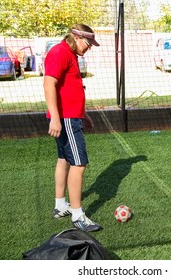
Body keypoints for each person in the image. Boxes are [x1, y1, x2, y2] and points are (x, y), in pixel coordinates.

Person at [44, 23, 102, 232]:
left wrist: (83, 114)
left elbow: (70, 88)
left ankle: (61, 205)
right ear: (77, 37)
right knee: (79, 164)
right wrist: (56, 119)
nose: (89, 47)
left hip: (71, 117)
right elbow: (49, 84)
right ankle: (78, 215)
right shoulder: (60, 52)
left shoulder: (71, 55)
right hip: (66, 119)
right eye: (88, 43)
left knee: (64, 160)